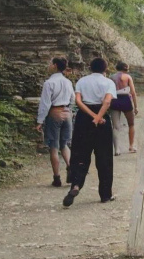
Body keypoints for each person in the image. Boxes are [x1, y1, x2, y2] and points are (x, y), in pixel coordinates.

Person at [64, 57, 116, 207]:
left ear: (90, 67)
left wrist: (92, 116)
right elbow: (107, 101)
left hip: (83, 118)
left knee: (80, 154)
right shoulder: (108, 82)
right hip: (102, 118)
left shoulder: (82, 81)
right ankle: (105, 194)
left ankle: (76, 185)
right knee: (104, 157)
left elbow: (78, 101)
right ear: (105, 69)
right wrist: (98, 117)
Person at [36, 56, 74, 187]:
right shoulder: (68, 82)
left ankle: (57, 178)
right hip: (67, 113)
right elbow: (73, 99)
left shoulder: (49, 83)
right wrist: (69, 110)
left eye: (51, 63)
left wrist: (40, 121)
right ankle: (70, 168)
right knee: (65, 144)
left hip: (54, 113)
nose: (49, 65)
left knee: (54, 146)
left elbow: (45, 104)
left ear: (55, 66)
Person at [109, 61, 138, 156]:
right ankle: (131, 146)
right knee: (131, 124)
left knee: (115, 126)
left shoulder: (111, 77)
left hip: (114, 99)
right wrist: (136, 106)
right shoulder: (127, 77)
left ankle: (117, 149)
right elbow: (133, 92)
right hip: (125, 99)